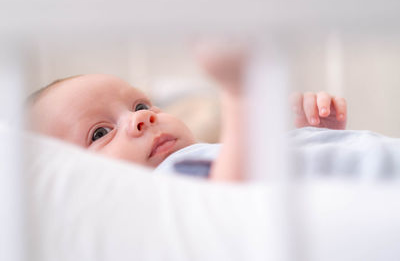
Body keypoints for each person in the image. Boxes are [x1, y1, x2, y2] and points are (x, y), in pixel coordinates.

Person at [27, 46, 347, 181]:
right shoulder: (164, 186)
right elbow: (231, 203)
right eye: (99, 133)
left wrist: (313, 135)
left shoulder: (201, 157)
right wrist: (238, 93)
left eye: (140, 106)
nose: (142, 119)